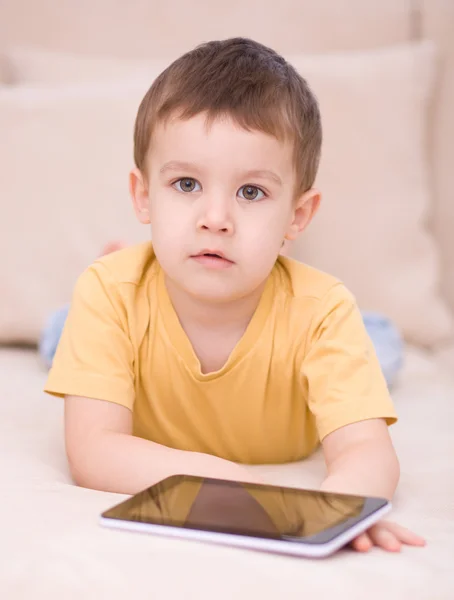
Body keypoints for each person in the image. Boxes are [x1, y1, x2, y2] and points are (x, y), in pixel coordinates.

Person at [44, 38, 424, 553]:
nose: (215, 219)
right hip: (113, 304)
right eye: (185, 184)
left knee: (379, 352)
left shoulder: (325, 311)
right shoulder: (110, 293)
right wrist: (240, 481)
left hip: (319, 326)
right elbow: (93, 451)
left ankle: (376, 333)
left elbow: (365, 448)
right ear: (142, 195)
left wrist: (343, 507)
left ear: (297, 216)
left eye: (251, 193)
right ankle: (87, 293)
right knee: (61, 336)